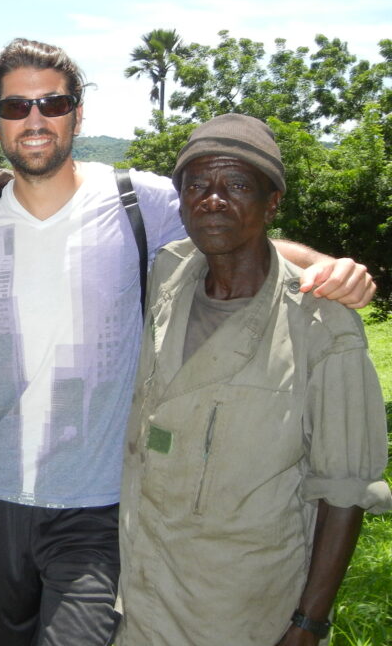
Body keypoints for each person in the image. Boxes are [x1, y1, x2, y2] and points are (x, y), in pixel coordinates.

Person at [0, 39, 376, 646]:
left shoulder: (138, 199)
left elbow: (232, 234)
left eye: (52, 101)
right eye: (16, 106)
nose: (35, 119)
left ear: (78, 112)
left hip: (100, 506)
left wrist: (329, 267)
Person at [116, 113, 390, 645]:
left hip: (243, 608)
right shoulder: (169, 273)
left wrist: (308, 623)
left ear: (272, 203)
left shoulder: (323, 324)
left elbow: (346, 489)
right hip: (144, 594)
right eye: (197, 186)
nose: (212, 200)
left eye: (237, 185)